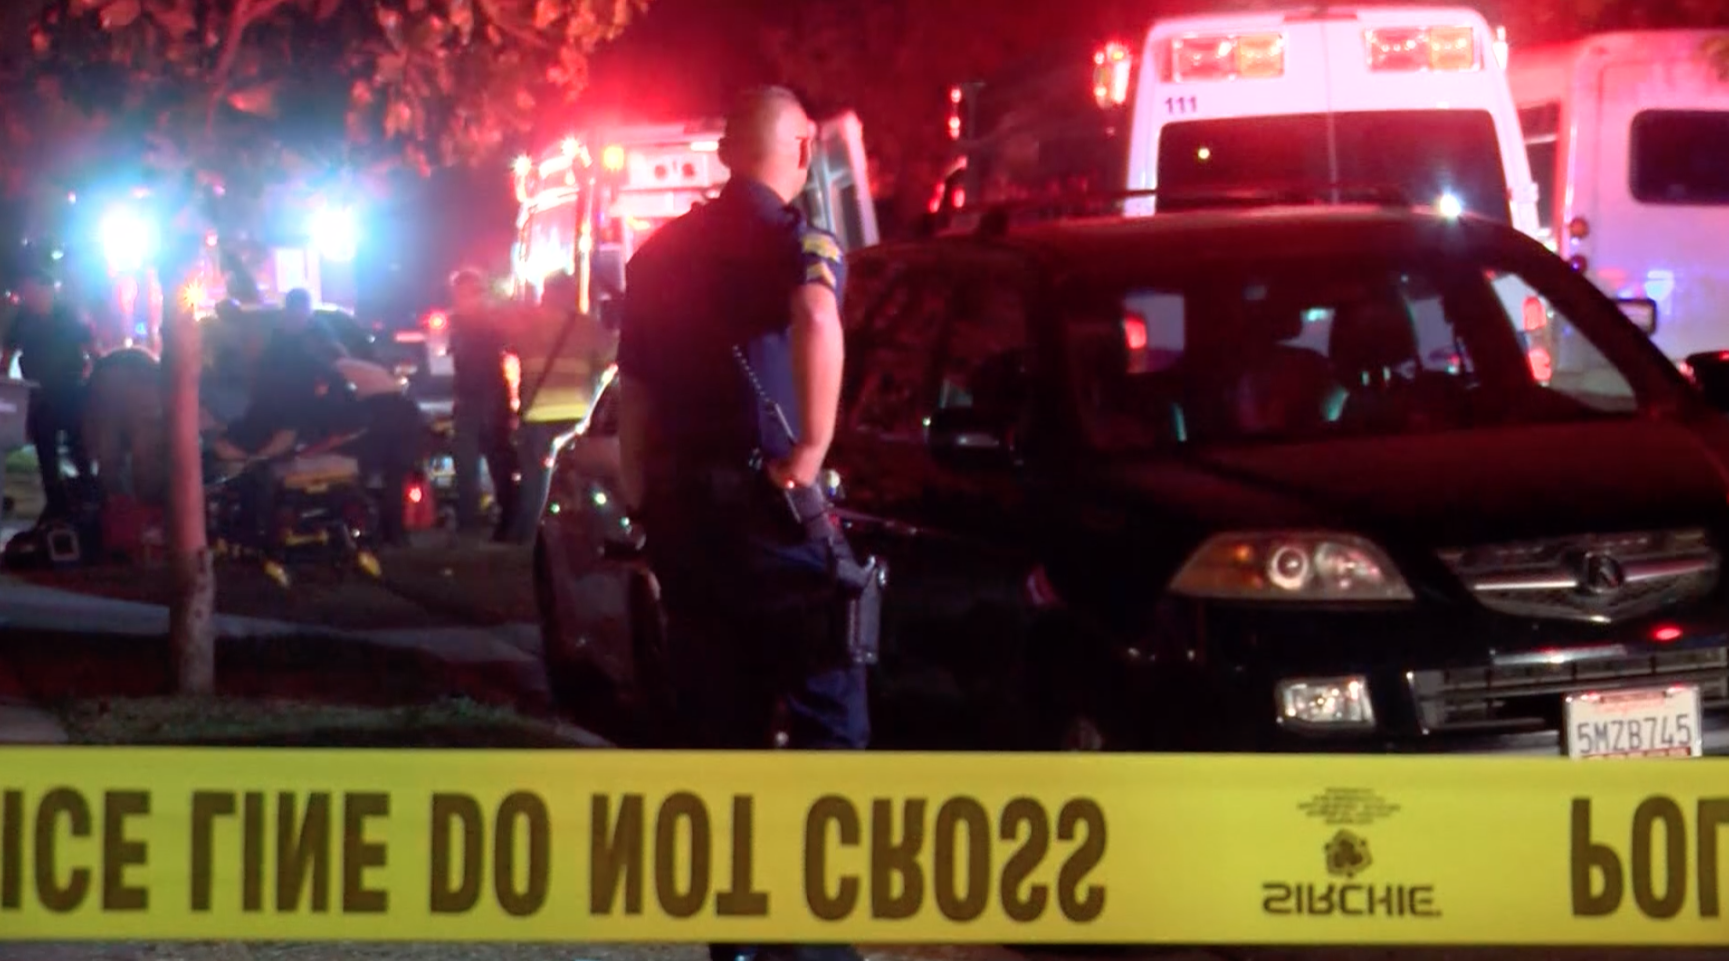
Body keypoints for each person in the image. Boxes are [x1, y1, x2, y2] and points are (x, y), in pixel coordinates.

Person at [616, 86, 865, 961]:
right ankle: (819, 944)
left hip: (686, 525)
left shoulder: (654, 256)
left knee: (718, 735)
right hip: (770, 519)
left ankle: (738, 943)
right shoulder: (798, 237)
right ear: (800, 151)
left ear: (726, 151)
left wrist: (646, 498)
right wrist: (812, 450)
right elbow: (814, 315)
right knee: (828, 722)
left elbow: (635, 400)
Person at [2, 268, 96, 520]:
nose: (27, 297)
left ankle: (88, 496)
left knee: (79, 446)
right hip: (39, 393)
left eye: (30, 291)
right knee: (46, 452)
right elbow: (9, 352)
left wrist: (94, 374)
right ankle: (56, 504)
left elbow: (90, 347)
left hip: (69, 390)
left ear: (46, 289)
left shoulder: (68, 314)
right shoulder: (24, 318)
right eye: (24, 293)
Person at [447, 267, 519, 540]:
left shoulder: (487, 322)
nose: (459, 299)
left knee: (497, 462)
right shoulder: (464, 324)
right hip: (473, 399)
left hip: (488, 399)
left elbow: (492, 360)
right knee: (470, 463)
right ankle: (471, 522)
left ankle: (504, 521)